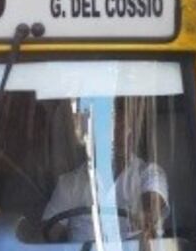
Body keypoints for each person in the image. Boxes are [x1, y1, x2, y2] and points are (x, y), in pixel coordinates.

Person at [42, 99, 169, 242]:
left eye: (124, 129)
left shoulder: (149, 173)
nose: (119, 137)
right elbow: (50, 232)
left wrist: (145, 213)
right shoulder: (69, 183)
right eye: (112, 130)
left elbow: (153, 201)